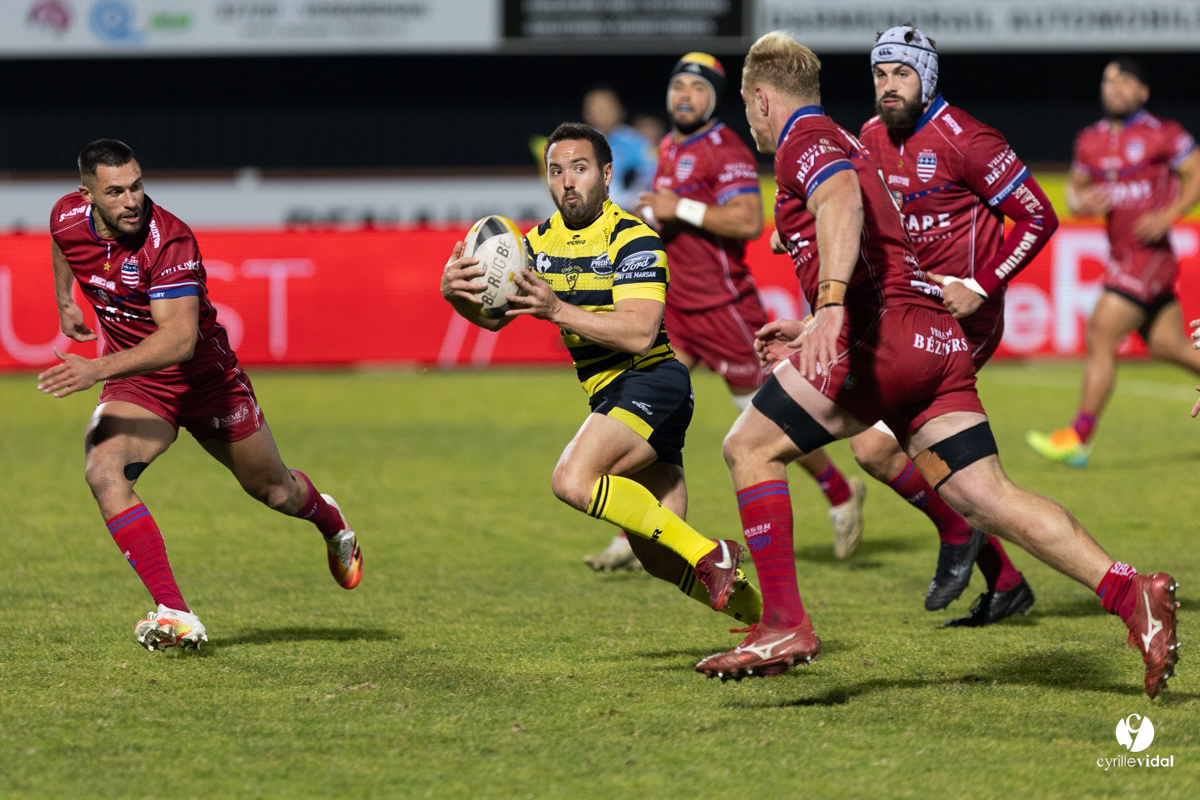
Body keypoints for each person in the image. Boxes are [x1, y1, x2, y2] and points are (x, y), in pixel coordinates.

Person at [695, 33, 1179, 700]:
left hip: (880, 338)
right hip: (934, 338)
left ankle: (783, 623)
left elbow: (842, 203)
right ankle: (1131, 592)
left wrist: (830, 309)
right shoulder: (851, 135)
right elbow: (884, 249)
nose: (748, 124)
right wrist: (815, 319)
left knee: (748, 446)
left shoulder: (807, 140)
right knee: (993, 499)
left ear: (760, 97)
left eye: (746, 110)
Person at [38, 140, 362, 651]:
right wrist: (64, 301)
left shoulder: (169, 241)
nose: (132, 200)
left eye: (138, 186)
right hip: (140, 384)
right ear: (88, 197)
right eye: (116, 191)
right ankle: (177, 612)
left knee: (274, 490)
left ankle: (331, 520)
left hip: (206, 380)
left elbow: (179, 340)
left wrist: (95, 367)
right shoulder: (66, 214)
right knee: (104, 471)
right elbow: (61, 239)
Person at [440, 122, 764, 626]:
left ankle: (712, 552)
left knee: (572, 479)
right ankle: (768, 625)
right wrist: (457, 297)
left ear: (607, 174)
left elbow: (638, 332)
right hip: (611, 399)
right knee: (660, 559)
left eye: (580, 168)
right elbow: (495, 318)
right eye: (556, 170)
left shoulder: (634, 237)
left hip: (654, 382)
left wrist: (556, 309)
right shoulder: (536, 247)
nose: (567, 180)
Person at [583, 52, 866, 572]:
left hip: (725, 311)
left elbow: (748, 219)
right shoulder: (667, 147)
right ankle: (635, 534)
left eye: (695, 88)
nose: (683, 96)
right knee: (638, 411)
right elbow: (667, 215)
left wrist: (678, 209)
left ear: (714, 98)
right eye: (677, 87)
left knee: (767, 425)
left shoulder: (726, 149)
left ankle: (841, 492)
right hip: (678, 312)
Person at [833, 24, 1060, 625]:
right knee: (893, 452)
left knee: (877, 447)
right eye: (880, 73)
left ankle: (965, 536)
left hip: (966, 318)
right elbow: (860, 211)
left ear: (927, 78)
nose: (888, 86)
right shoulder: (871, 136)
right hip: (907, 313)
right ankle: (1001, 576)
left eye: (901, 73)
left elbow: (1038, 215)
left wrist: (981, 284)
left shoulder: (968, 140)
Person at [1027, 59, 1200, 466]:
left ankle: (1078, 437)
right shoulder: (1090, 140)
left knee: (1101, 332)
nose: (1115, 87)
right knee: (1168, 346)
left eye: (1125, 81)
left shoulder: (1163, 133)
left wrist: (1169, 212)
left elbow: (1196, 172)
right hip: (1122, 256)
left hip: (1151, 257)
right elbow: (1074, 191)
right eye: (1108, 80)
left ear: (1143, 92)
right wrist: (1080, 202)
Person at [582, 87, 658, 212]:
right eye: (594, 107)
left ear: (620, 110)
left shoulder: (636, 141)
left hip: (626, 209)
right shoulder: (580, 143)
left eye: (605, 106)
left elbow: (650, 174)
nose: (600, 112)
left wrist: (635, 200)